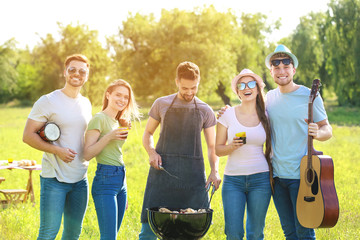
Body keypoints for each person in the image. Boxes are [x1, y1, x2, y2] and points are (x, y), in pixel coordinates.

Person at [139, 61, 222, 239]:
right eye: (185, 88)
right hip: (162, 175)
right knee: (148, 230)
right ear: (176, 81)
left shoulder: (205, 110)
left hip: (192, 179)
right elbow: (148, 133)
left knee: (191, 230)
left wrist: (214, 171)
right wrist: (152, 152)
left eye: (194, 87)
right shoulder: (161, 104)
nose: (189, 92)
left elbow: (212, 146)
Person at [265, 44, 332, 239]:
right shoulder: (269, 97)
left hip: (302, 175)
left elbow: (327, 128)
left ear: (293, 69)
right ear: (271, 71)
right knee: (289, 232)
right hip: (276, 177)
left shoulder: (309, 95)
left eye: (286, 66)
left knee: (304, 230)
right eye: (276, 67)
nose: (281, 70)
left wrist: (317, 132)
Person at [23, 54, 92, 239]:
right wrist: (57, 150)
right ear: (65, 72)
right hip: (54, 179)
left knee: (72, 234)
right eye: (72, 69)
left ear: (87, 75)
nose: (77, 74)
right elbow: (27, 135)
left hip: (80, 179)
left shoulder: (86, 103)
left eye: (82, 71)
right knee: (48, 234)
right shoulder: (48, 100)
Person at [216, 69, 273, 240]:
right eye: (241, 85)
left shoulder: (267, 115)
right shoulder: (227, 114)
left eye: (251, 84)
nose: (246, 88)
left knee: (256, 234)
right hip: (233, 181)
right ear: (238, 91)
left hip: (260, 180)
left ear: (257, 88)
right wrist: (231, 146)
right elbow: (218, 149)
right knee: (233, 234)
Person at [83, 79, 140, 240]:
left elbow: (117, 154)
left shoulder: (117, 121)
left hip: (120, 180)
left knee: (113, 235)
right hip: (105, 180)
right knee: (109, 237)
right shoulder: (99, 119)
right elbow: (87, 154)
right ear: (108, 95)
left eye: (126, 97)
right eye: (118, 95)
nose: (122, 100)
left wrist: (124, 189)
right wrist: (109, 137)